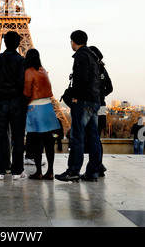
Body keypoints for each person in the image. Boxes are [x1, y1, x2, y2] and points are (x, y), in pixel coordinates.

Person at [55, 30, 101, 182]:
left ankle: (73, 170)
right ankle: (93, 171)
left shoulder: (81, 55)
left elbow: (81, 79)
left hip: (83, 101)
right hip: (94, 101)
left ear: (73, 41)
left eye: (71, 42)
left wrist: (75, 97)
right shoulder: (93, 56)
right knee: (93, 138)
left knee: (77, 137)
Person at [0, 31, 27, 180]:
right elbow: (23, 81)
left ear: (4, 42)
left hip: (0, 101)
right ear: (18, 44)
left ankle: (0, 171)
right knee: (17, 138)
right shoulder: (22, 61)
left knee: (0, 136)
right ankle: (17, 171)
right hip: (16, 102)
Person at [23, 49, 60, 180]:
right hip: (48, 108)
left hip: (35, 109)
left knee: (36, 143)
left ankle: (38, 171)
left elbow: (27, 93)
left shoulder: (29, 71)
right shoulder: (43, 70)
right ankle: (50, 171)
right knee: (49, 141)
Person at [89, 46, 113, 175]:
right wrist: (101, 95)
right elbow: (110, 88)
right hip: (102, 106)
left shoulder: (92, 68)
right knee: (96, 137)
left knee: (91, 137)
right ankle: (98, 164)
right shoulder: (103, 69)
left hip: (92, 104)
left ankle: (96, 165)